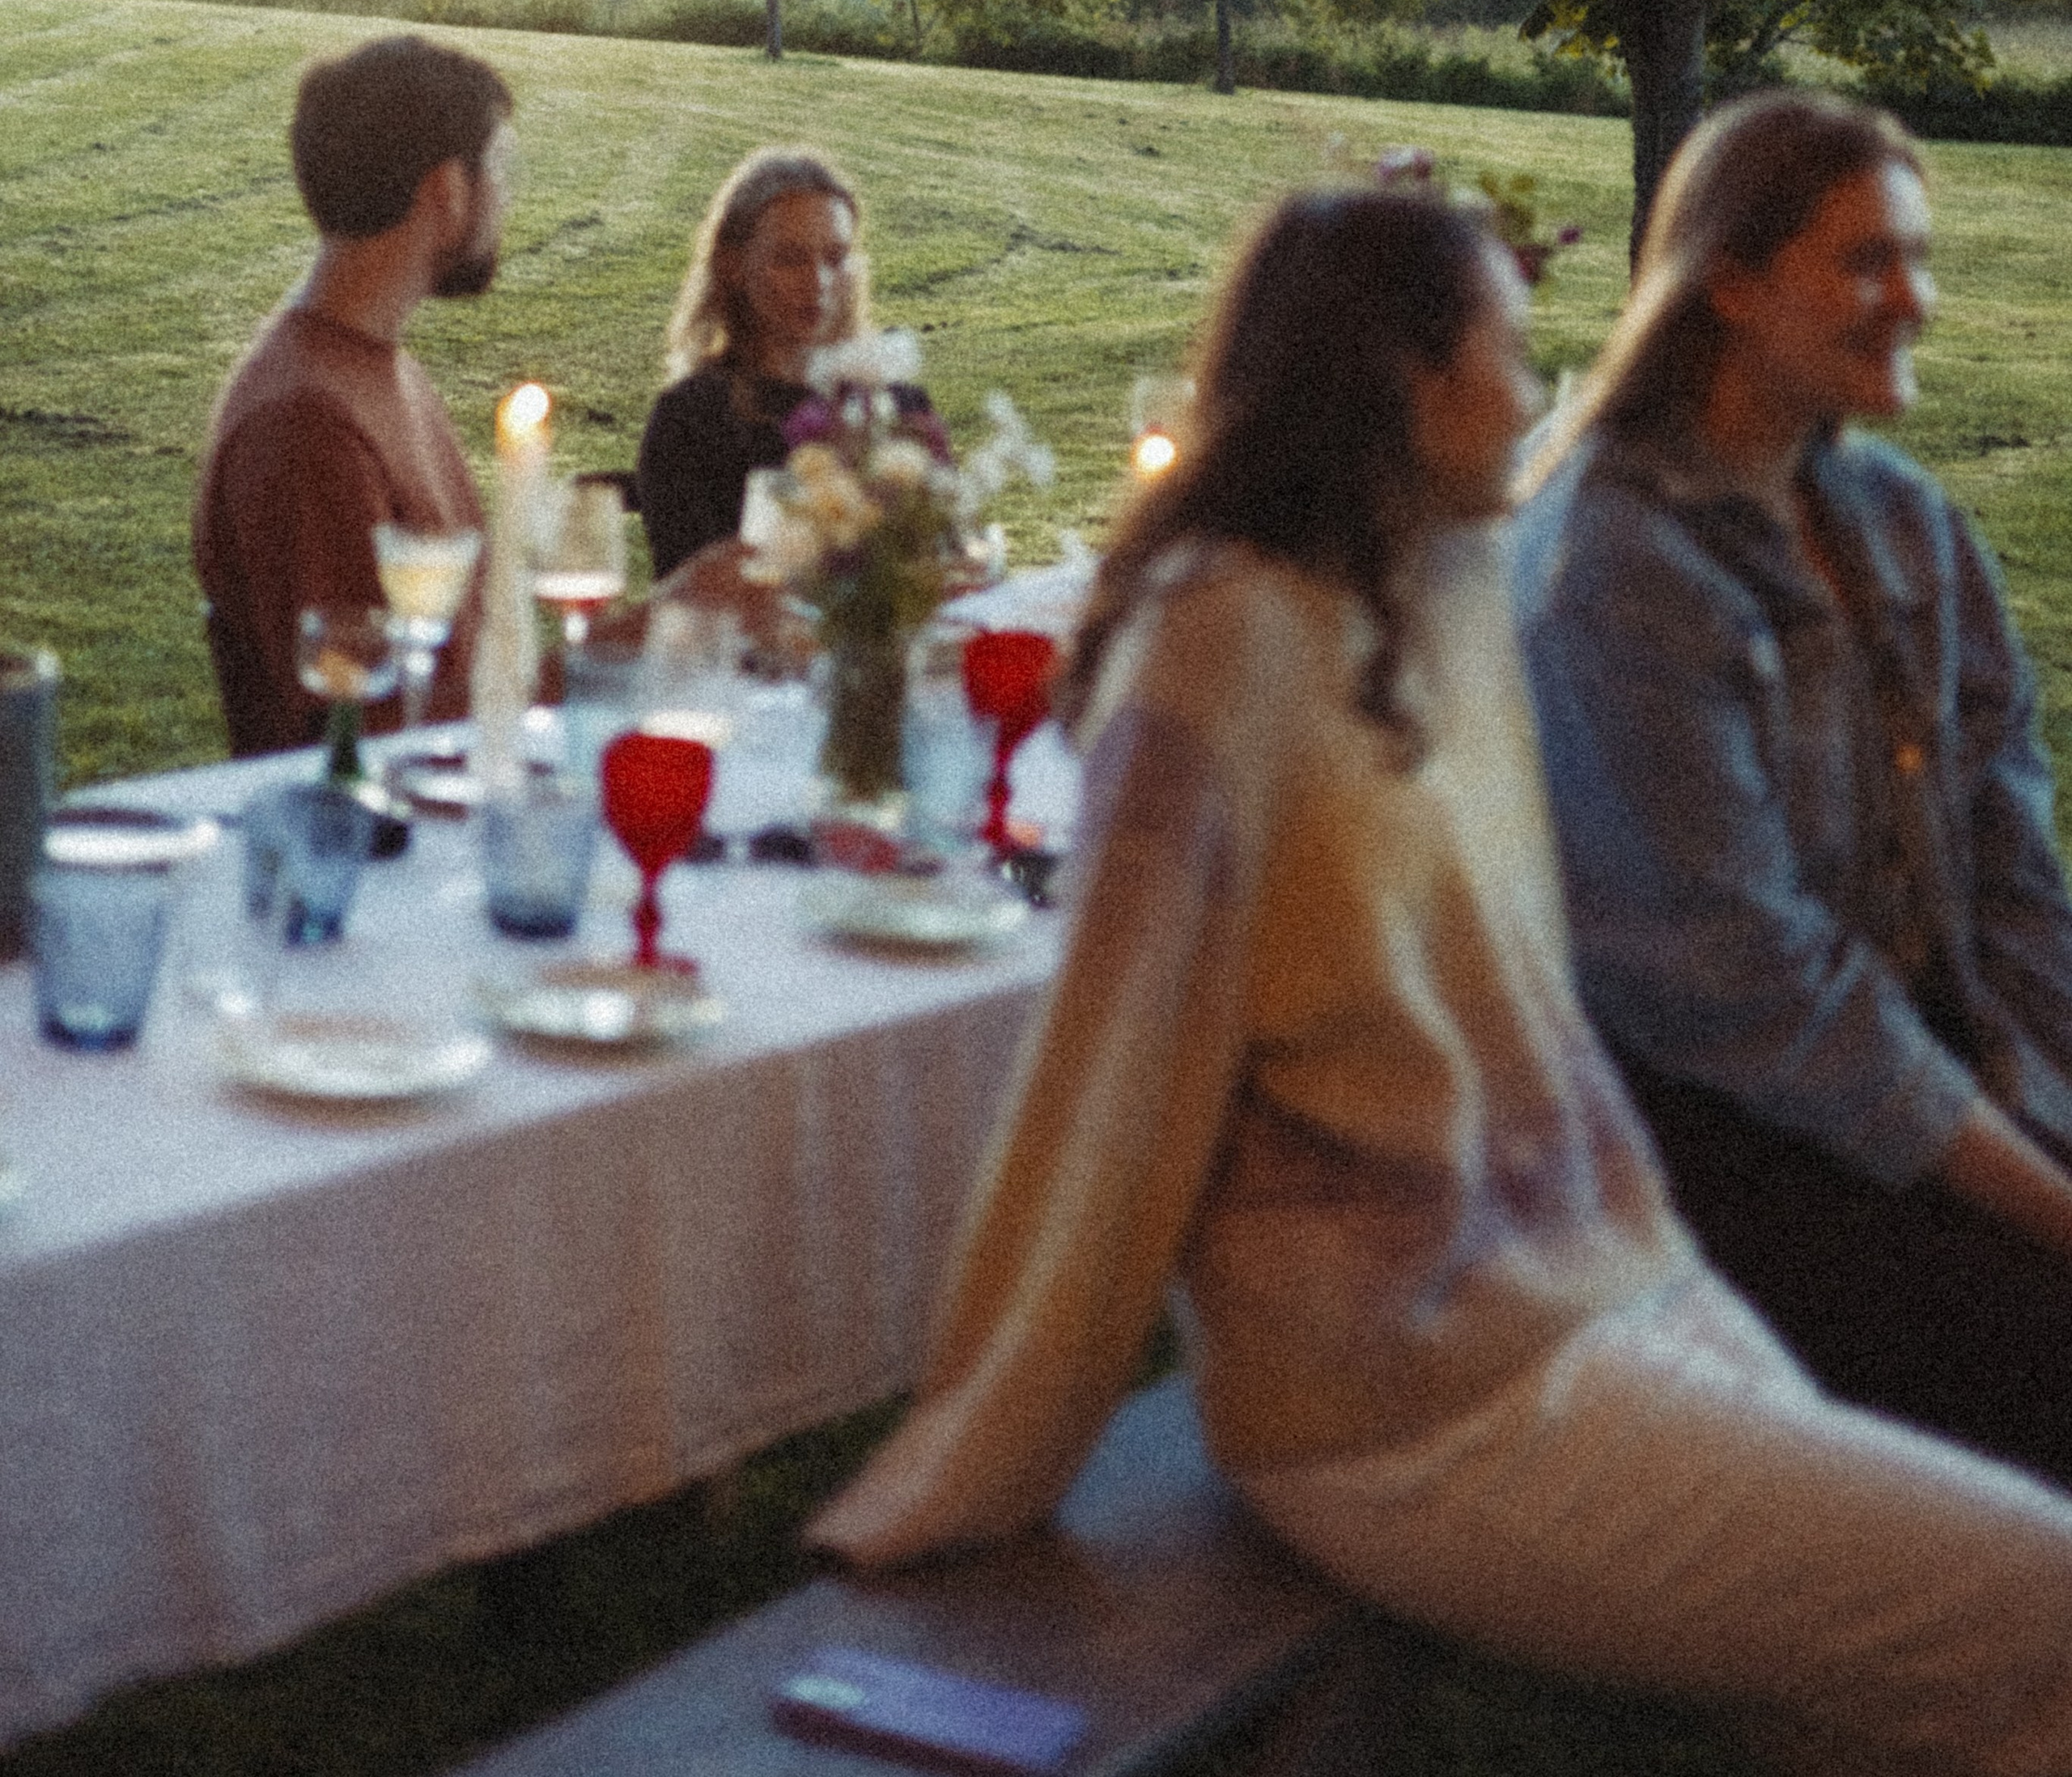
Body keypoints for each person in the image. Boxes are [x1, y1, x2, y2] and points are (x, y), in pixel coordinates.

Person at [808, 183, 2072, 1776]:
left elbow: (1523, 1016)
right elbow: (1108, 1081)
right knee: (2037, 1608)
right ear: (1409, 385)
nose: (1540, 393)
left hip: (1587, 1283)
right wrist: (977, 1449)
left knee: (1902, 1675)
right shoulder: (1221, 647)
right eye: (1511, 352)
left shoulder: (1441, 585)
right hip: (1395, 1399)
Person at [1515, 88, 2072, 1495]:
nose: (1917, 301)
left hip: (1936, 1073)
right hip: (1727, 1157)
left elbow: (2013, 876)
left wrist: (2048, 1088)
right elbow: (1758, 999)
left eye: (1920, 259)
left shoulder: (1901, 521)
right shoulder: (1617, 567)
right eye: (1869, 261)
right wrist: (2049, 1200)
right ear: (1732, 284)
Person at [193, 33, 514, 755]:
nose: (507, 198)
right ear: (447, 190)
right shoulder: (305, 425)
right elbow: (368, 734)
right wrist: (619, 655)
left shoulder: (378, 368)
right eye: (500, 168)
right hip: (379, 853)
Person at [635, 146, 940, 583]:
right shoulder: (693, 418)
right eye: (790, 258)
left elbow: (942, 566)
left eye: (835, 258)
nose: (817, 282)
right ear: (734, 265)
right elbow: (693, 596)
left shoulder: (895, 405)